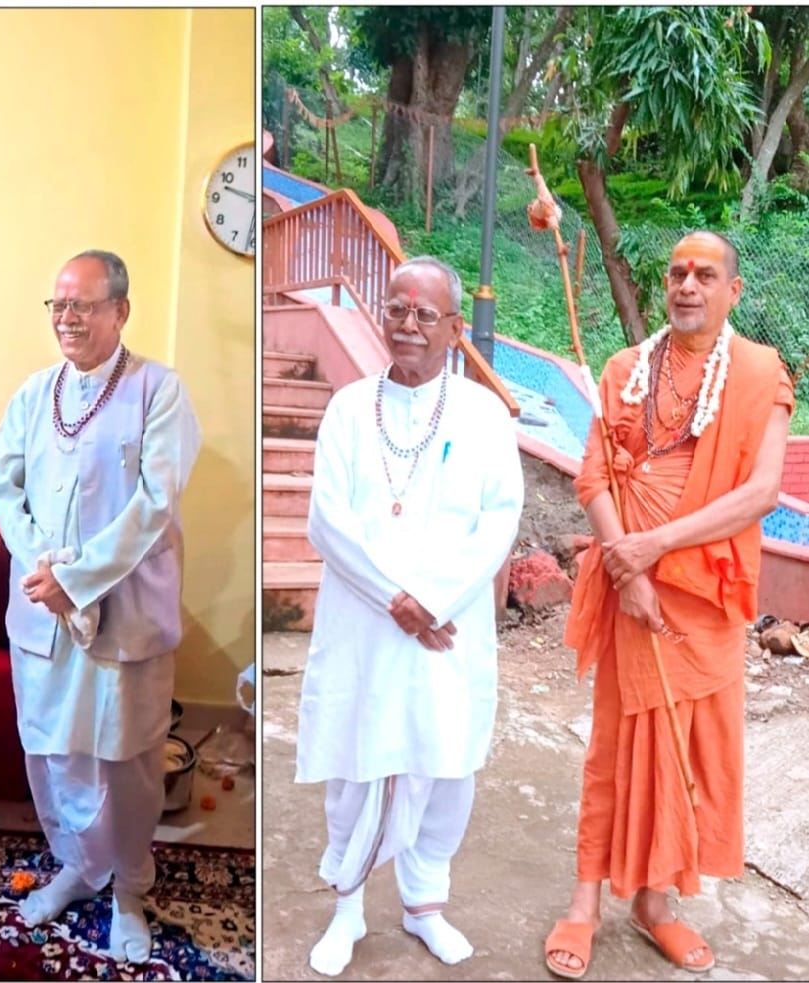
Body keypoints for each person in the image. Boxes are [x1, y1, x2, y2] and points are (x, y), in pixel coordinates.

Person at [545, 231, 794, 979]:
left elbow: (760, 492)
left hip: (705, 596)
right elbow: (594, 478)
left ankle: (654, 904)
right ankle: (584, 903)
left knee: (687, 751)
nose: (687, 284)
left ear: (732, 291)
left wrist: (654, 550)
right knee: (615, 749)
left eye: (704, 274)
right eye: (677, 273)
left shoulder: (758, 372)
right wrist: (627, 570)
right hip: (632, 594)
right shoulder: (625, 370)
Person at [295, 256, 524, 976]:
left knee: (445, 764)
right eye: (396, 308)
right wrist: (396, 597)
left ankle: (425, 905)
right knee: (355, 765)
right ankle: (346, 906)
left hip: (446, 628)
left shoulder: (483, 414)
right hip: (364, 620)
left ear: (456, 329)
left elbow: (498, 519)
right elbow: (325, 518)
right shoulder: (346, 407)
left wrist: (432, 598)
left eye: (426, 314)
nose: (407, 324)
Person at [0, 250, 201, 962]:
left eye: (81, 304)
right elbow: (3, 484)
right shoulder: (33, 392)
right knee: (51, 751)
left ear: (120, 310)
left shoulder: (158, 391)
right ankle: (77, 867)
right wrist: (40, 561)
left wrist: (77, 578)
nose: (67, 318)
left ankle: (130, 888)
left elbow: (155, 503)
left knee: (126, 760)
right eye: (57, 305)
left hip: (124, 613)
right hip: (44, 614)